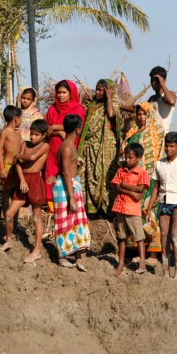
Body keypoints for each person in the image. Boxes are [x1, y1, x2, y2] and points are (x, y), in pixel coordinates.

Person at [0, 119, 49, 263]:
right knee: (8, 213)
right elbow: (17, 165)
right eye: (32, 134)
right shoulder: (24, 144)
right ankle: (8, 239)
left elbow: (32, 157)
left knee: (36, 217)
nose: (32, 137)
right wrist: (21, 180)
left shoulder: (45, 146)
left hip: (35, 181)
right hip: (23, 181)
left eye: (36, 135)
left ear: (44, 135)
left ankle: (37, 250)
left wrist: (18, 156)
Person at [146, 132, 177, 280]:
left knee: (174, 235)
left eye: (172, 146)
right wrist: (148, 209)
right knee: (164, 237)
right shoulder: (159, 164)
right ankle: (166, 271)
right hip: (164, 201)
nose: (168, 149)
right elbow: (155, 188)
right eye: (167, 145)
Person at [123, 102, 165, 259]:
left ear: (149, 115)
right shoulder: (132, 131)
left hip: (151, 179)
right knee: (134, 214)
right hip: (133, 179)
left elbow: (159, 156)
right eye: (138, 114)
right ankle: (135, 250)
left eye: (144, 114)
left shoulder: (157, 131)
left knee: (150, 213)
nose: (141, 117)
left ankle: (153, 254)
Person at [53, 114, 90, 271]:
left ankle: (78, 258)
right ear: (78, 129)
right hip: (66, 188)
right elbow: (66, 173)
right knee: (64, 222)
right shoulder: (67, 147)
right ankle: (62, 256)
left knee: (76, 222)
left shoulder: (68, 145)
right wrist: (71, 198)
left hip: (71, 186)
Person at [79, 78, 121, 216]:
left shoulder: (113, 104)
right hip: (90, 147)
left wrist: (109, 98)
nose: (97, 92)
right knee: (90, 177)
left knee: (104, 178)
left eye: (101, 90)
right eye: (96, 89)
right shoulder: (92, 106)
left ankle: (105, 209)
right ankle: (92, 209)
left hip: (106, 149)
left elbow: (111, 115)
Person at [111, 142, 150, 276]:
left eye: (130, 158)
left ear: (138, 158)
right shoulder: (121, 170)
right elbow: (117, 187)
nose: (127, 160)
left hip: (133, 209)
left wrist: (124, 185)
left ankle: (142, 263)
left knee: (139, 237)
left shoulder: (142, 172)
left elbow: (141, 188)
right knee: (121, 237)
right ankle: (121, 262)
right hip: (120, 207)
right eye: (126, 157)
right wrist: (131, 192)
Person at [45, 80, 85, 208]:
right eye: (59, 92)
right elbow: (46, 127)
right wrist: (56, 131)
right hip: (52, 148)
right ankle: (52, 209)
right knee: (50, 176)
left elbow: (75, 126)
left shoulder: (77, 108)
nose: (61, 95)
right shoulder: (52, 108)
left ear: (71, 93)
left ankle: (68, 204)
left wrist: (55, 127)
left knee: (67, 175)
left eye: (64, 92)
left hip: (67, 148)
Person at [0, 105, 23, 214]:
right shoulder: (5, 132)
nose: (21, 121)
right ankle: (5, 218)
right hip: (7, 165)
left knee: (16, 193)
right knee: (6, 192)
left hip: (17, 166)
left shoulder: (18, 133)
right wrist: (2, 168)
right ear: (16, 118)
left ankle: (14, 219)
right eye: (21, 118)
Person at [147, 66, 176, 133]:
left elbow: (171, 101)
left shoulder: (170, 94)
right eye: (152, 80)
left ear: (164, 80)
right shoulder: (152, 98)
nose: (154, 82)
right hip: (152, 135)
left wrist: (162, 83)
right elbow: (140, 108)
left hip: (163, 134)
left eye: (156, 80)